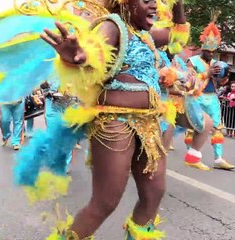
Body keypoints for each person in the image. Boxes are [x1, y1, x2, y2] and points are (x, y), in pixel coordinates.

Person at [39, 0, 189, 238]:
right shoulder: (112, 26)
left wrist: (179, 5)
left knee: (154, 193)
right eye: (146, 1)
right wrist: (78, 56)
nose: (154, 7)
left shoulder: (147, 36)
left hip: (149, 124)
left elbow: (178, 39)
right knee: (105, 202)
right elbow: (93, 52)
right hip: (115, 122)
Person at [185, 21, 235, 171]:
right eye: (209, 51)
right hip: (197, 97)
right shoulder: (192, 61)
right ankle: (191, 154)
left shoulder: (216, 62)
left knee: (217, 127)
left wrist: (224, 77)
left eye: (213, 51)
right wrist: (207, 73)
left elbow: (220, 82)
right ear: (203, 48)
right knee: (193, 126)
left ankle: (218, 158)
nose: (211, 54)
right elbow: (189, 81)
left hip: (212, 97)